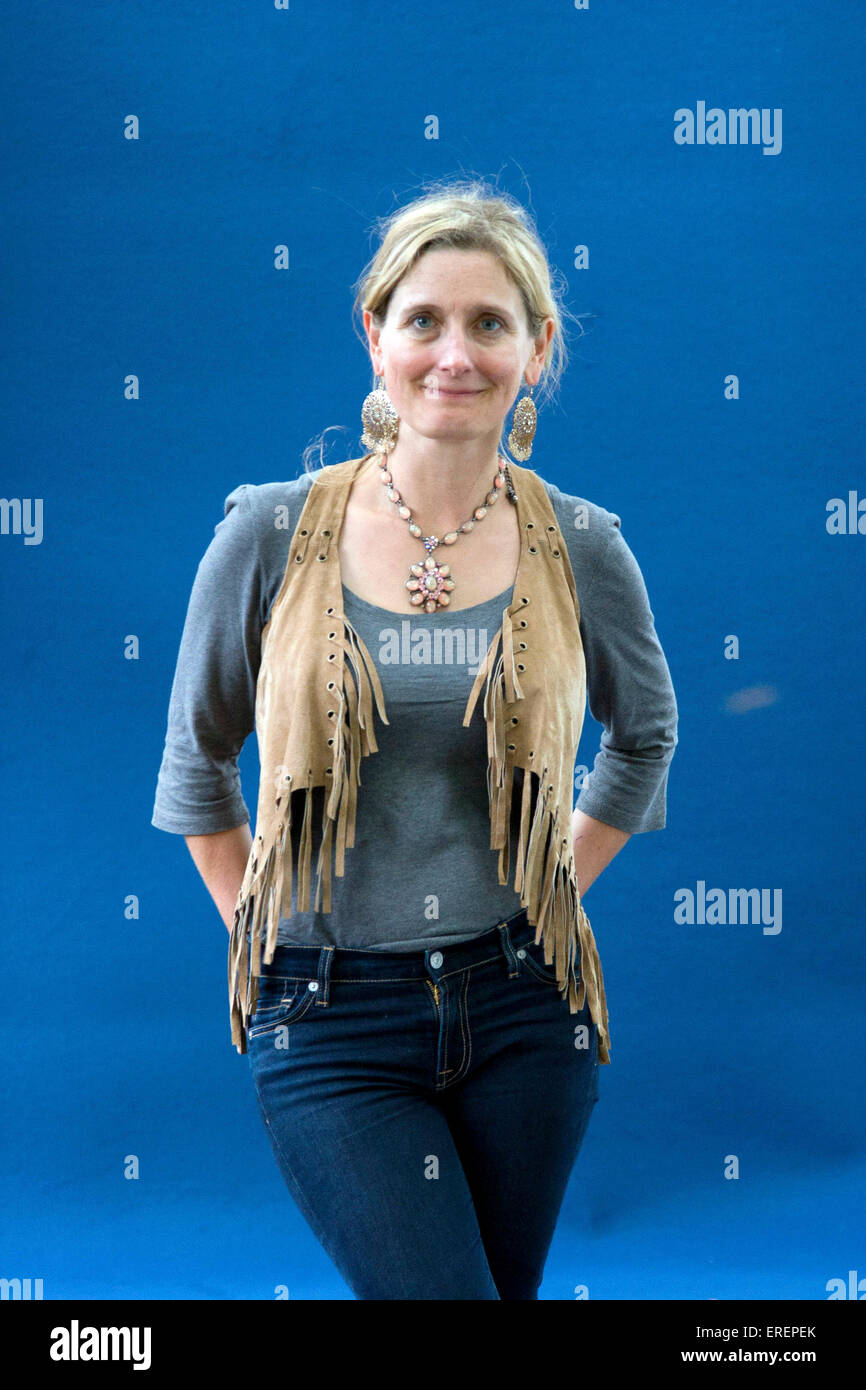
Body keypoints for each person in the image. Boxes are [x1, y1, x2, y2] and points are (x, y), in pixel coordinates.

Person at [152, 178, 678, 1300]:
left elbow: (646, 737)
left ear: (535, 351)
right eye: (423, 319)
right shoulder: (270, 529)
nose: (455, 353)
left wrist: (554, 890)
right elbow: (197, 757)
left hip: (526, 1008)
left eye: (489, 323)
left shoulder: (580, 543)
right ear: (373, 335)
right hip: (330, 1016)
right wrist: (268, 938)